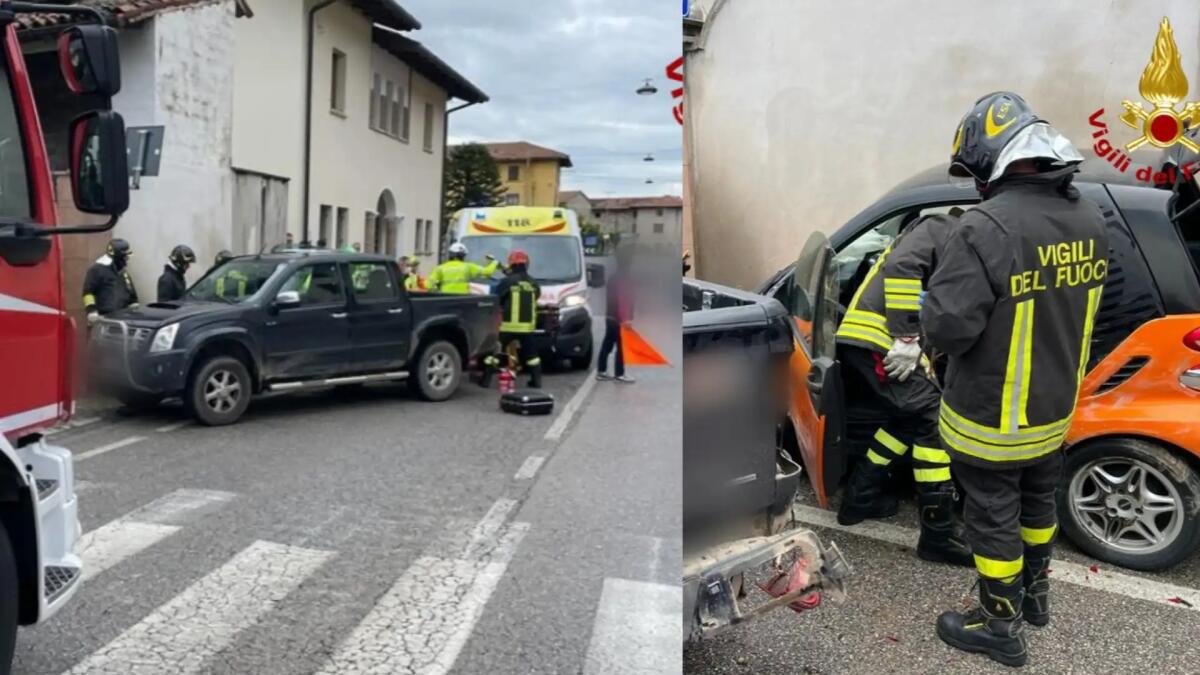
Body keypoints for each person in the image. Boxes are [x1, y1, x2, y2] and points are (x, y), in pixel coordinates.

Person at [927, 92, 1107, 668]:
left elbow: (949, 325)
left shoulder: (985, 226)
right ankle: (1036, 597)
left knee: (992, 515)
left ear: (993, 160)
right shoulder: (1088, 215)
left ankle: (999, 626)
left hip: (992, 417)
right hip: (1054, 408)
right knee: (1037, 503)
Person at [831, 208, 972, 569]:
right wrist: (907, 335)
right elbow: (902, 269)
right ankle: (938, 534)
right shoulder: (942, 225)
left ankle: (859, 501)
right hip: (881, 341)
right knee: (933, 421)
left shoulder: (946, 239)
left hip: (875, 342)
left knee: (906, 419)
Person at [481, 250, 542, 388]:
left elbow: (496, 298)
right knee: (532, 355)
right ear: (526, 265)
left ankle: (485, 380)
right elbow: (536, 297)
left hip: (507, 326)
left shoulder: (506, 282)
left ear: (511, 265)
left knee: (495, 353)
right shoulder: (533, 283)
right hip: (527, 327)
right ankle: (536, 381)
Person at [596, 247, 635, 383]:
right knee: (621, 346)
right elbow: (623, 299)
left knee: (607, 344)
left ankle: (601, 371)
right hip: (619, 319)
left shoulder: (613, 277)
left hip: (610, 316)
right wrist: (626, 319)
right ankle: (620, 373)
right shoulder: (624, 278)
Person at [82, 238, 138, 326]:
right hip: (103, 320)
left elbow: (132, 295)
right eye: (125, 257)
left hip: (122, 321)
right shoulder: (97, 270)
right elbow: (88, 293)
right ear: (117, 257)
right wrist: (91, 311)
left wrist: (134, 308)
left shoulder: (123, 273)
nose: (127, 259)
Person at [427, 242, 497, 293]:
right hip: (463, 299)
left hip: (446, 298)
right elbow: (488, 272)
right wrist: (494, 262)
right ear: (463, 256)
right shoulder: (468, 266)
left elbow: (429, 285)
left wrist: (437, 292)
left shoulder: (440, 268)